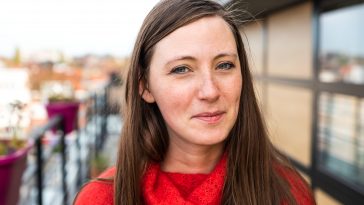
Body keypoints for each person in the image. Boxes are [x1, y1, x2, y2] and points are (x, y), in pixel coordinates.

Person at [74, 0, 316, 204]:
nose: (210, 91)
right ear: (145, 86)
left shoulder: (290, 192)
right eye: (182, 69)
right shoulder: (101, 198)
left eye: (224, 65)